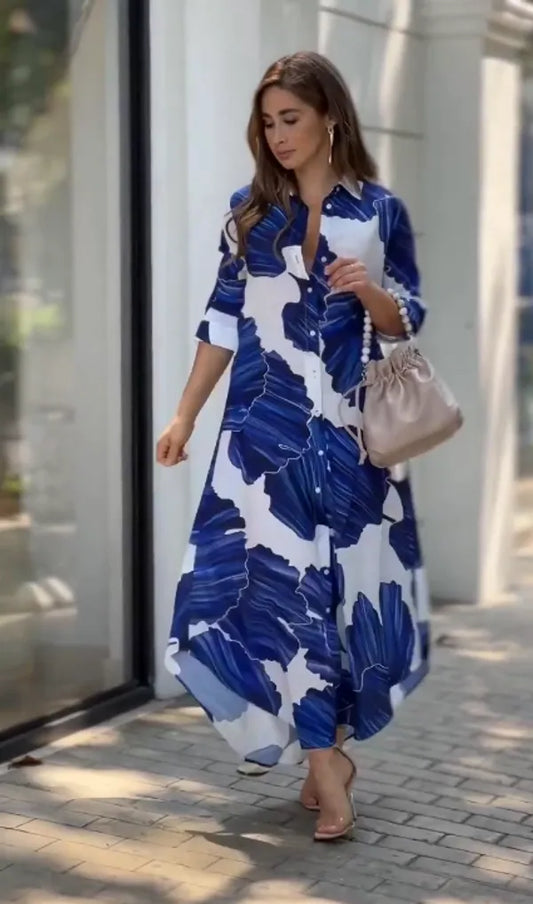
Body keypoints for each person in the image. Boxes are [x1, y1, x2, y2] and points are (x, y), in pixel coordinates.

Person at [156, 51, 429, 843]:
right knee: (275, 596)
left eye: (291, 118)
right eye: (268, 122)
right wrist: (183, 417)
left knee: (342, 602)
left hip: (351, 442)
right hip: (260, 443)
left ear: (328, 118)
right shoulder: (249, 214)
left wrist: (367, 289)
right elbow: (220, 321)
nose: (277, 135)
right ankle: (324, 766)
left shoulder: (377, 211)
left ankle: (327, 754)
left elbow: (406, 319)